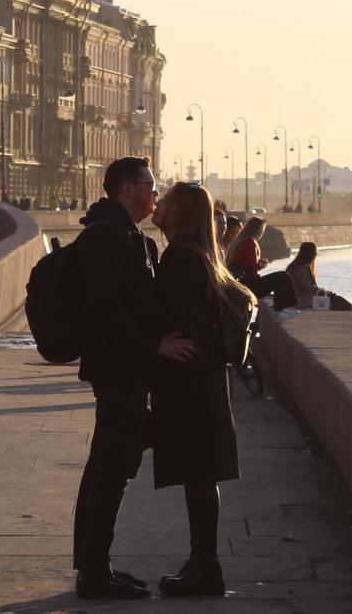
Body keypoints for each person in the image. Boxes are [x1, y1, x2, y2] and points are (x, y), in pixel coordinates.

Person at [71, 156, 193, 600]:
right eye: (150, 185)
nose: (155, 193)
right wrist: (153, 345)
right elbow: (107, 313)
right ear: (126, 189)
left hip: (123, 369)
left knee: (108, 465)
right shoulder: (106, 239)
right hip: (117, 370)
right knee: (113, 468)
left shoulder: (127, 236)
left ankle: (94, 566)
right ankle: (94, 574)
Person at [149, 182, 257, 597]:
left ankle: (205, 568)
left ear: (182, 213)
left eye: (168, 201)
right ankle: (202, 563)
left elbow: (167, 315)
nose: (158, 205)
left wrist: (156, 342)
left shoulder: (179, 258)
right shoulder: (203, 257)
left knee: (197, 473)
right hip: (205, 378)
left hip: (187, 379)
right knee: (201, 474)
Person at [287, 242, 352, 317]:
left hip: (298, 298)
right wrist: (324, 291)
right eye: (315, 252)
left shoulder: (297, 267)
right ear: (310, 254)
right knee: (335, 299)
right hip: (300, 301)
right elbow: (308, 288)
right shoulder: (300, 269)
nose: (316, 254)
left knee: (334, 298)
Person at [224, 216, 269, 290]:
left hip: (237, 280)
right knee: (282, 276)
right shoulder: (250, 242)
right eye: (262, 231)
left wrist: (259, 262)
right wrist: (263, 264)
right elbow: (253, 267)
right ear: (258, 231)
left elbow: (245, 261)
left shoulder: (238, 241)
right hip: (248, 283)